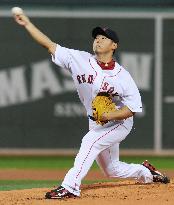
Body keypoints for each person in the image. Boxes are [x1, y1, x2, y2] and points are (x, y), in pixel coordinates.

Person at [13, 12, 170, 199]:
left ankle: (70, 187)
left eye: (104, 38)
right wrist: (27, 24)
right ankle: (146, 173)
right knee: (112, 169)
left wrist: (109, 116)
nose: (98, 40)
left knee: (89, 141)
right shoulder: (78, 59)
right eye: (96, 37)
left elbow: (133, 109)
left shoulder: (122, 76)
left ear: (114, 45)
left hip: (119, 122)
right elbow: (49, 45)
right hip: (97, 122)